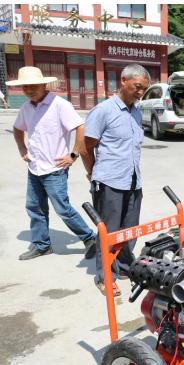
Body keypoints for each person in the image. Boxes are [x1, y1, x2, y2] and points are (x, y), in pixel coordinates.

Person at [9, 66, 95, 260]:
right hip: (35, 168)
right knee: (34, 207)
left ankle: (90, 238)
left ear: (43, 84)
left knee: (62, 208)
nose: (29, 90)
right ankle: (41, 245)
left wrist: (73, 155)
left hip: (55, 170)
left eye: (33, 86)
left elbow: (80, 127)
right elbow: (17, 129)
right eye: (25, 87)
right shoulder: (26, 108)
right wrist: (22, 149)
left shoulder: (59, 105)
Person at [81, 64, 150, 296]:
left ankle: (122, 267)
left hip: (132, 180)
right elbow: (85, 147)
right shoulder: (104, 111)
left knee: (130, 231)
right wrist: (93, 173)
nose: (140, 93)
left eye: (144, 89)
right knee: (109, 232)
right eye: (137, 87)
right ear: (123, 80)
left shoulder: (136, 112)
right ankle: (104, 276)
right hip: (109, 181)